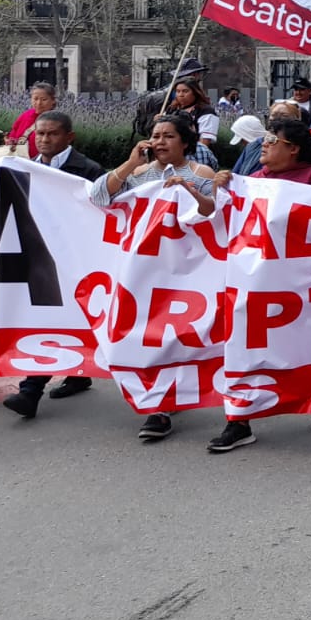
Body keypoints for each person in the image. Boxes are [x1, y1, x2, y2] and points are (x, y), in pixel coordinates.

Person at [201, 120, 311, 450]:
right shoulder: (253, 181)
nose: (263, 145)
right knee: (243, 345)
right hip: (254, 283)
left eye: (271, 140)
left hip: (305, 284)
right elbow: (224, 220)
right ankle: (238, 420)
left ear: (293, 149)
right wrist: (220, 188)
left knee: (306, 345)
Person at [87, 114, 216, 444]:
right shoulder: (139, 176)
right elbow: (100, 197)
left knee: (175, 337)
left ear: (185, 142)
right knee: (142, 335)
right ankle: (157, 406)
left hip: (184, 273)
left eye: (168, 136)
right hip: (140, 272)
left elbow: (213, 214)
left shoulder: (200, 174)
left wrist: (188, 191)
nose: (159, 142)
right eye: (155, 136)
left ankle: (169, 397)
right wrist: (130, 164)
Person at [0, 112, 107, 418]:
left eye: (52, 134)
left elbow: (99, 213)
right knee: (47, 320)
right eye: (40, 134)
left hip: (79, 261)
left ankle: (76, 373)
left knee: (81, 318)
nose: (44, 140)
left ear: (69, 137)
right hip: (42, 260)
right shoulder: (26, 167)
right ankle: (31, 391)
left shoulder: (87, 170)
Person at [169, 78, 220, 165]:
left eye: (185, 91)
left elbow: (205, 141)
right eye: (178, 91)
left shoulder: (206, 111)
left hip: (196, 157)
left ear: (195, 93)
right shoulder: (172, 109)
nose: (181, 95)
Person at [6, 82, 58, 159]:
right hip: (18, 160)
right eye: (35, 99)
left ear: (53, 100)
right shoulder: (26, 115)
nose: (39, 103)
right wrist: (10, 141)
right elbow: (14, 132)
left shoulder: (56, 120)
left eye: (44, 99)